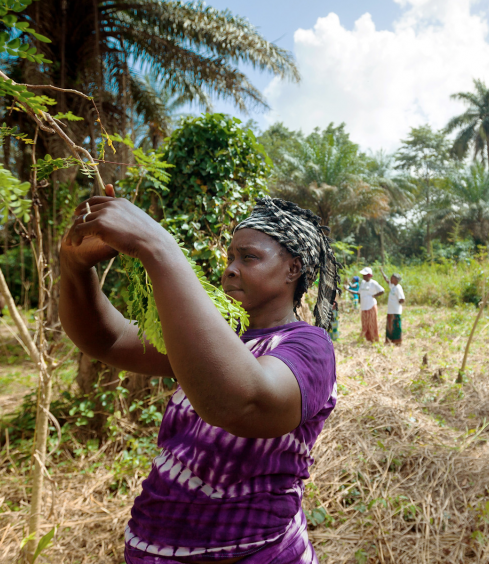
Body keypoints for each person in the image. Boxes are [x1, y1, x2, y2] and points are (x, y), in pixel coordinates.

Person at [59, 188, 341, 564]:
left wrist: (159, 247)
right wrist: (74, 266)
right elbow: (107, 339)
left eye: (249, 257)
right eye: (230, 257)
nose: (230, 268)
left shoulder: (309, 346)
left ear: (293, 269)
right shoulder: (214, 336)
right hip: (151, 549)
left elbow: (246, 403)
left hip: (258, 554)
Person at [357, 267, 384, 343]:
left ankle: (374, 339)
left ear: (369, 275)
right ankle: (366, 338)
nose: (363, 276)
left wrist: (374, 295)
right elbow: (359, 292)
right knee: (365, 324)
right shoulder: (362, 283)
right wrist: (349, 290)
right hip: (364, 306)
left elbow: (382, 290)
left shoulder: (373, 283)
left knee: (372, 323)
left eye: (365, 275)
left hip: (371, 305)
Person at [384, 273, 405, 346]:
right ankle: (389, 341)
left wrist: (396, 303)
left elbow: (402, 299)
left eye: (392, 278)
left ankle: (397, 341)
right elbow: (387, 281)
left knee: (396, 327)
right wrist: (383, 273)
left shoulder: (398, 288)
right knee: (390, 326)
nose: (390, 279)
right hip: (391, 310)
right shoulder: (393, 287)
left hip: (395, 311)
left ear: (396, 280)